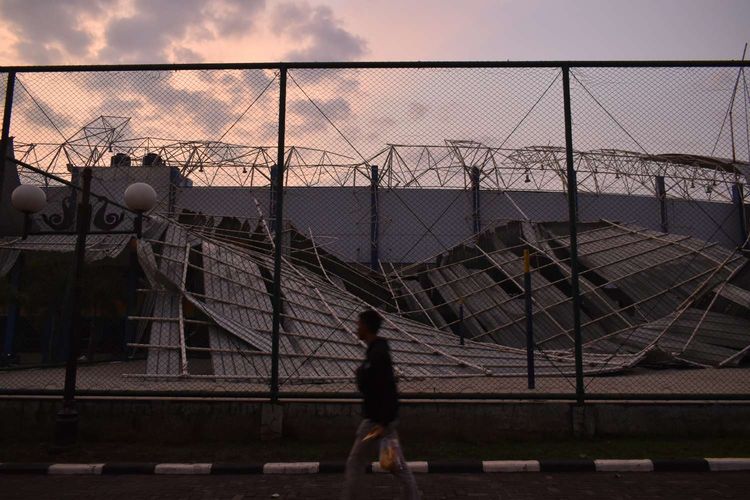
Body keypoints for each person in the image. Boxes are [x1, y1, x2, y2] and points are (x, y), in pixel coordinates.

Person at [341, 309, 419, 500]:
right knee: (395, 465)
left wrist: (383, 422)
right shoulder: (376, 351)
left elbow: (385, 389)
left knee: (356, 462)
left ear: (366, 327)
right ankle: (413, 496)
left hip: (376, 423)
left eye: (359, 324)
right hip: (382, 421)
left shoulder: (377, 354)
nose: (356, 328)